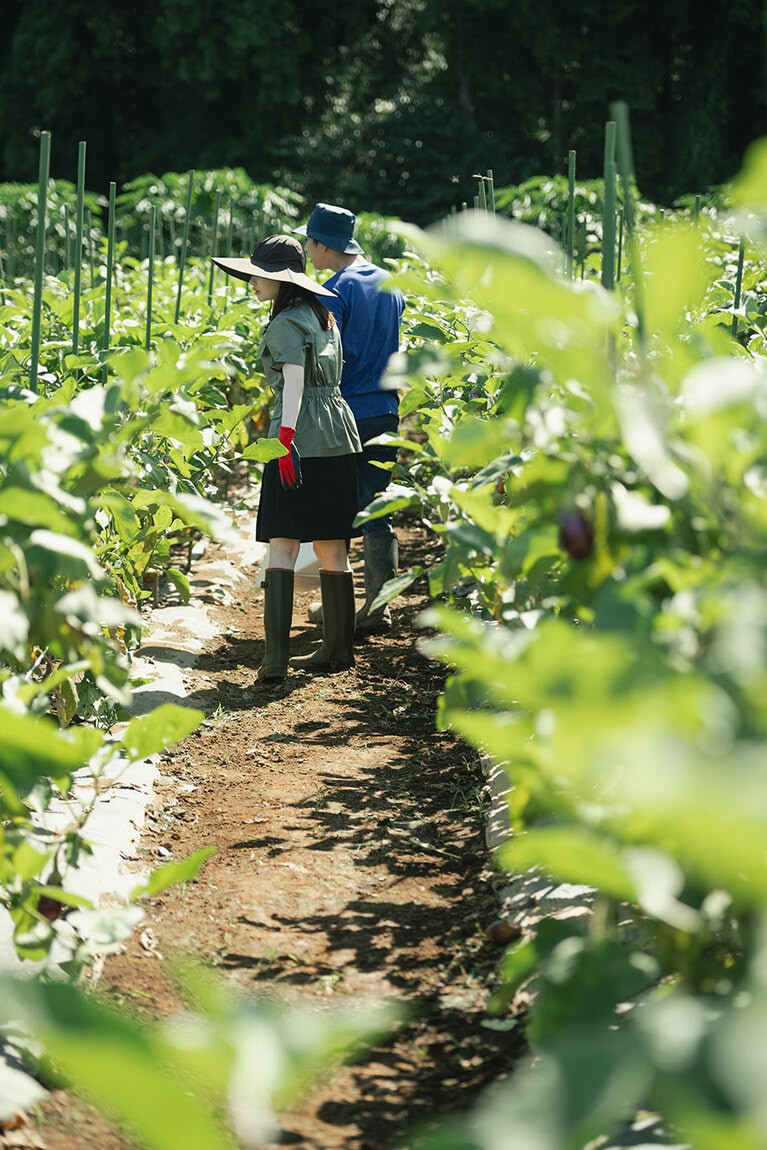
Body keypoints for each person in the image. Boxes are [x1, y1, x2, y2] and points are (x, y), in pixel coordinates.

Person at [212, 235, 362, 682]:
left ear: (282, 280)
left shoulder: (284, 323)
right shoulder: (323, 316)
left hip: (299, 435)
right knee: (333, 546)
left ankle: (275, 659)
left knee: (282, 541)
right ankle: (339, 653)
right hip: (338, 433)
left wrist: (285, 438)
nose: (252, 282)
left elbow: (294, 382)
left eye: (259, 275)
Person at [295, 203, 405, 636]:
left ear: (325, 245)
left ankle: (339, 608)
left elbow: (328, 358)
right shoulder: (389, 283)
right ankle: (377, 605)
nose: (306, 251)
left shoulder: (334, 290)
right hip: (385, 410)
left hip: (344, 413)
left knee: (334, 511)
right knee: (378, 507)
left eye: (309, 242)